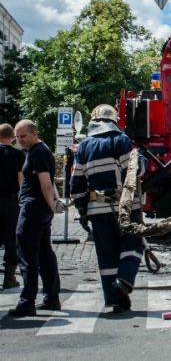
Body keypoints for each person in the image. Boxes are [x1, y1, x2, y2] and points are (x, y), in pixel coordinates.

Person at [70, 104, 146, 313]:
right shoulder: (121, 141)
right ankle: (124, 280)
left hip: (97, 209)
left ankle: (115, 301)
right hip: (125, 208)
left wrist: (83, 211)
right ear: (113, 122)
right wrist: (142, 161)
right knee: (134, 244)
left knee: (107, 254)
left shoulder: (84, 147)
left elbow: (76, 184)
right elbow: (133, 171)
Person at [8, 120, 60, 317]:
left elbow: (46, 183)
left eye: (23, 136)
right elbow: (50, 183)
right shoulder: (40, 150)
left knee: (28, 256)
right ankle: (51, 297)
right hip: (40, 209)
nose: (20, 141)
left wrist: (52, 206)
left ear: (34, 133)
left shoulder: (38, 153)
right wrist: (51, 206)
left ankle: (27, 301)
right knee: (45, 254)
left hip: (33, 210)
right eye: (18, 137)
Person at [0, 123, 25, 289]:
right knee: (10, 238)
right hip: (10, 201)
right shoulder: (18, 155)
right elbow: (21, 181)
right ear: (12, 137)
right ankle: (9, 278)